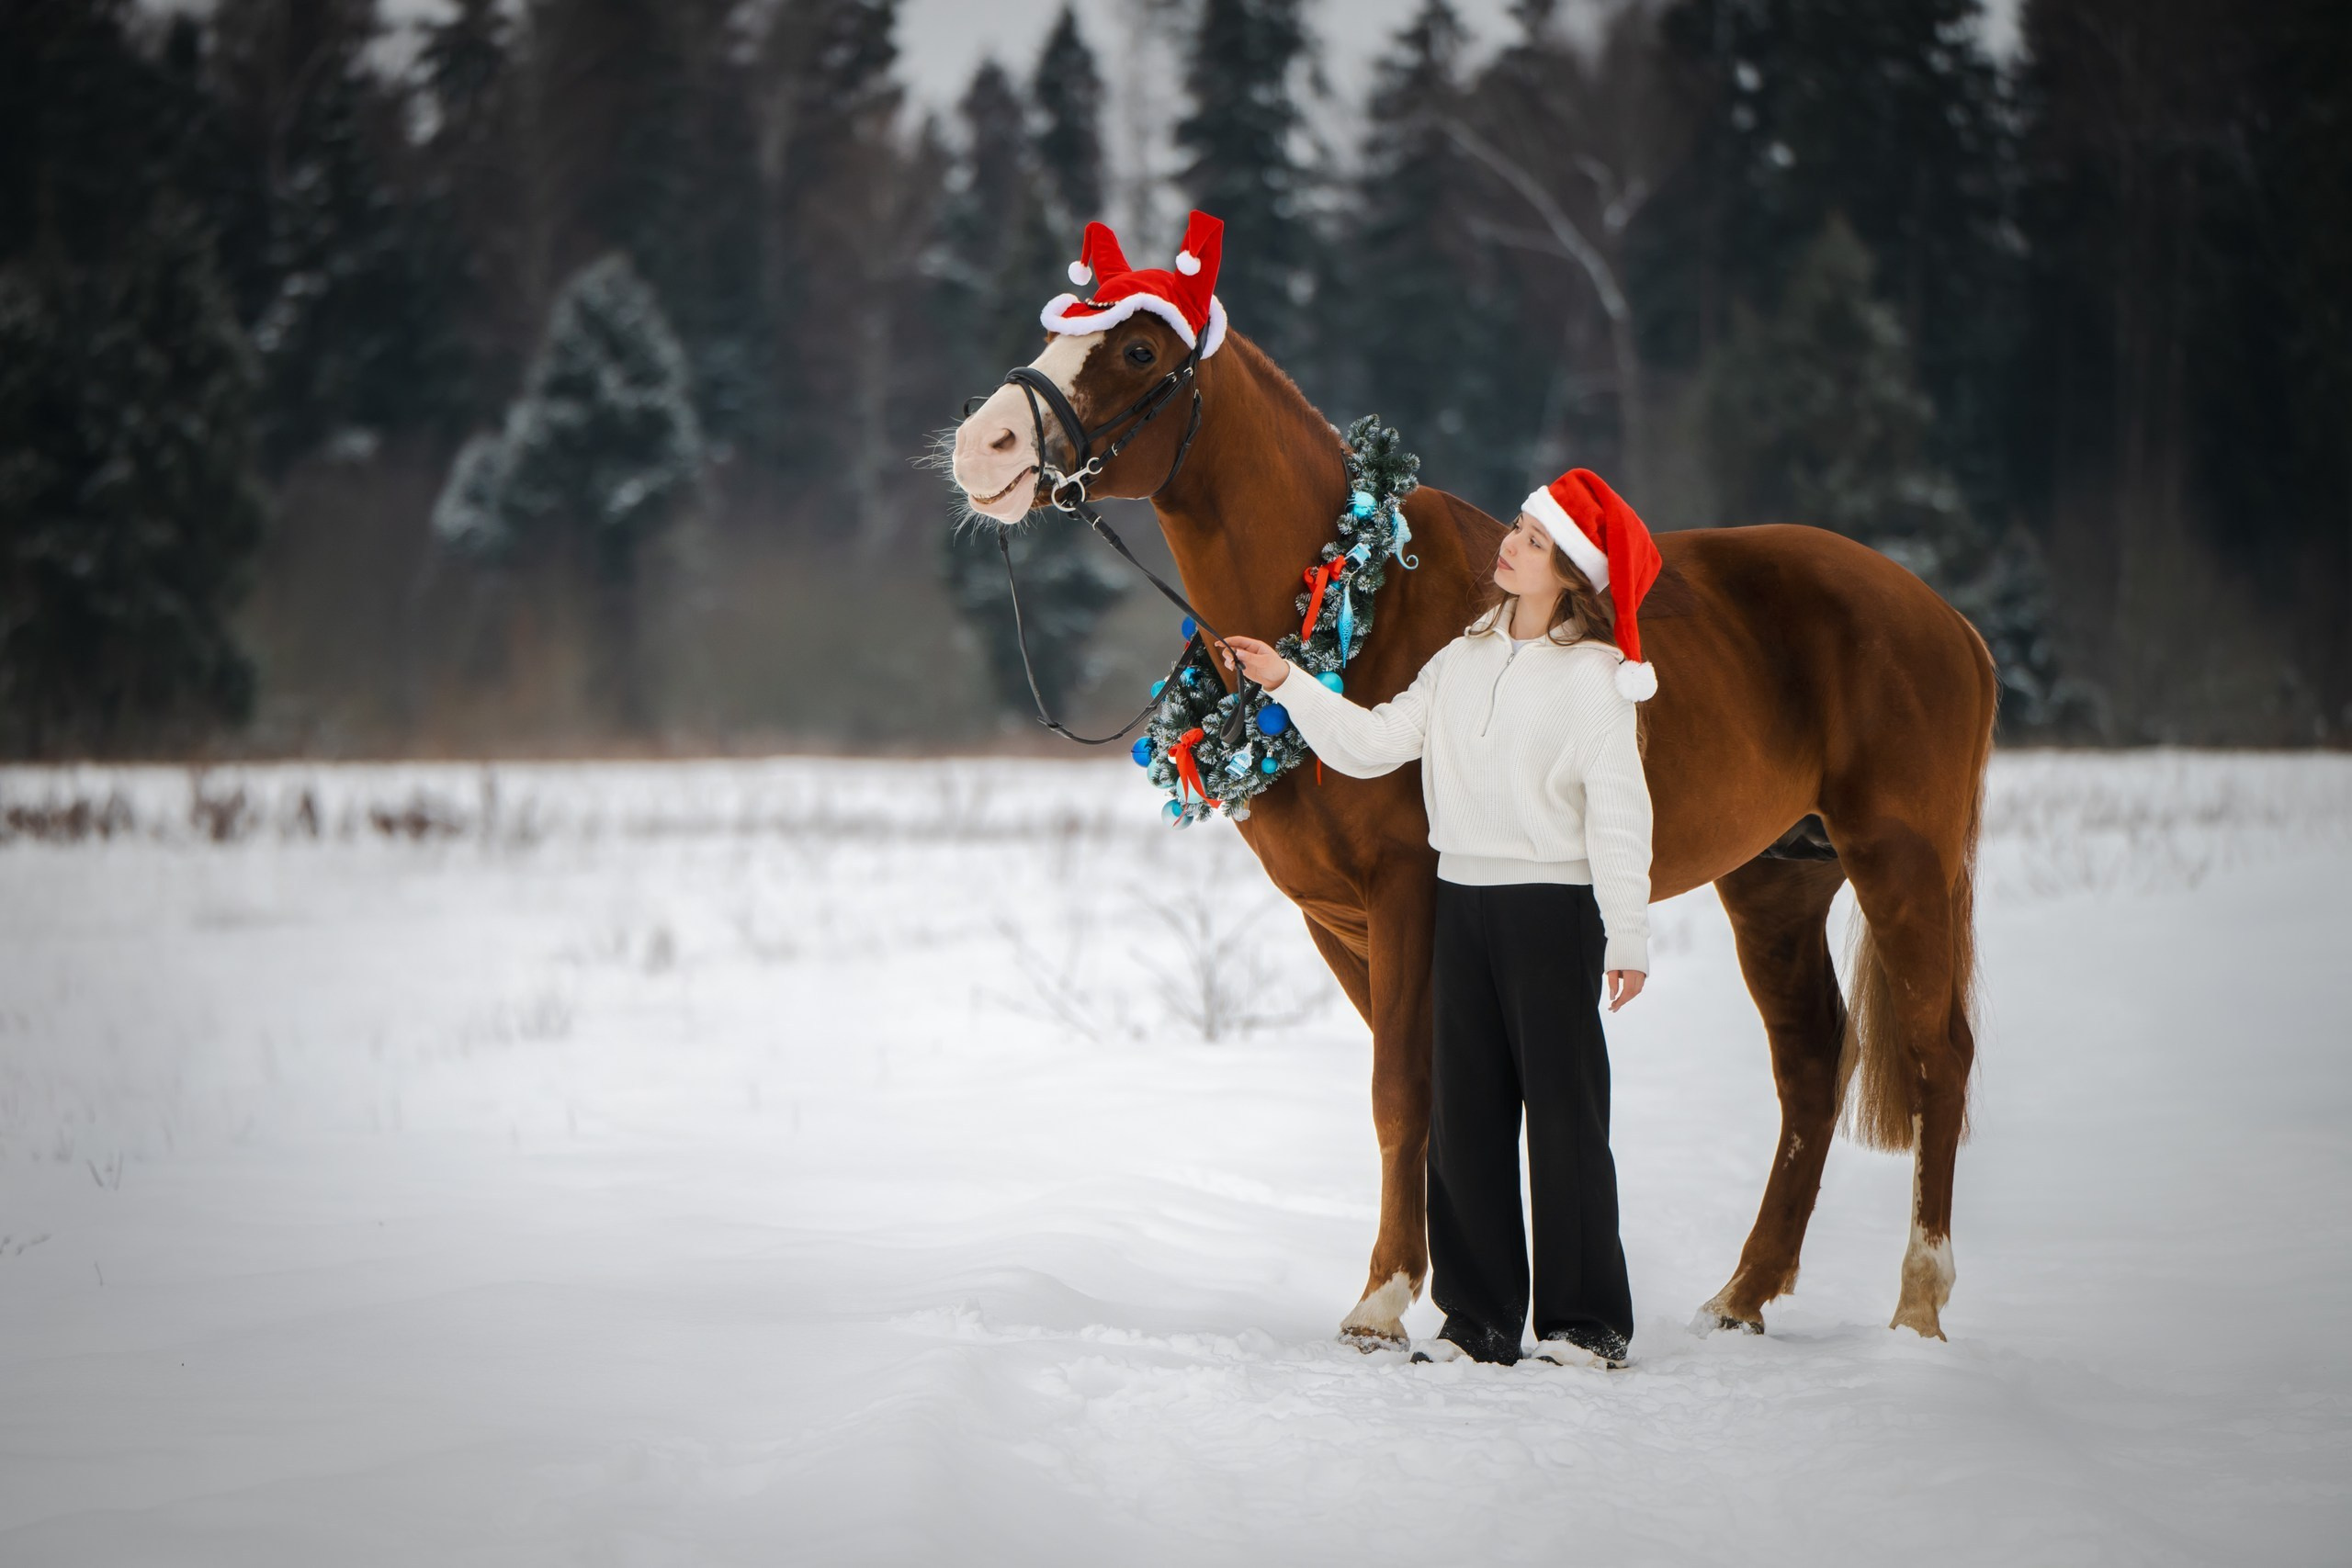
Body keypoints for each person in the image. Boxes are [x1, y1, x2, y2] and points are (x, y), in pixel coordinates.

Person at [1220, 468, 1663, 1369]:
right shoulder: (1458, 659)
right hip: (1461, 902)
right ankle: (1478, 1320)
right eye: (1517, 529)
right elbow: (1371, 741)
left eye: (1535, 542)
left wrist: (1627, 932)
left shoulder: (1595, 681)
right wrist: (1287, 683)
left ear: (1572, 574)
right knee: (1465, 1117)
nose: (1511, 544)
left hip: (1552, 909)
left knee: (1566, 1117)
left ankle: (1586, 1324)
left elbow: (1621, 812)